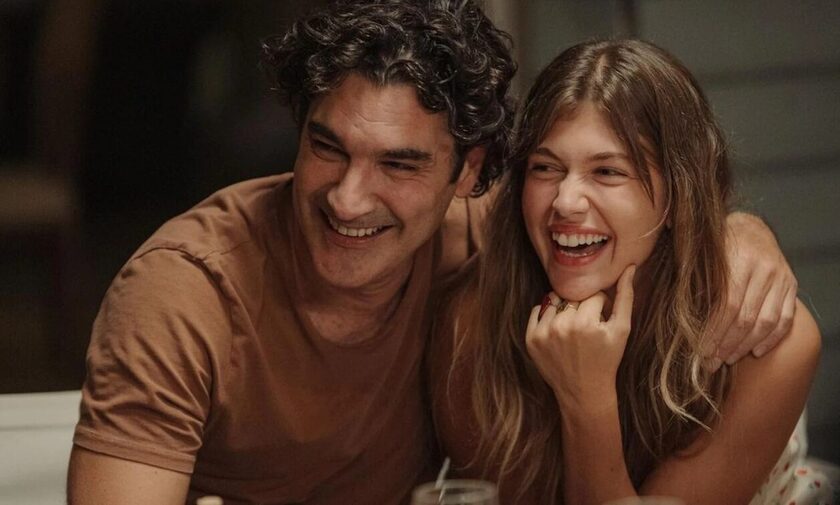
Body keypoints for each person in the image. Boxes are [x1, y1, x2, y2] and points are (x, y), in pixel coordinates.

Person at [67, 1, 795, 503]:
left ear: (468, 175)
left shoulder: (498, 241)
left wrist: (738, 233)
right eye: (327, 147)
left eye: (399, 164)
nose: (349, 198)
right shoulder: (182, 294)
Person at [428, 38, 831, 505]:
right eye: (545, 168)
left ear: (679, 194)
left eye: (607, 172)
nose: (565, 202)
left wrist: (587, 400)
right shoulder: (471, 326)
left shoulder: (766, 342)